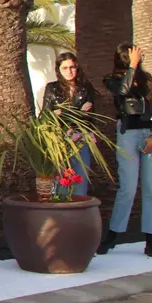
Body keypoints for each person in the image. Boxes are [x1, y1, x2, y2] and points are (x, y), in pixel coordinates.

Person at [97, 44, 152, 258]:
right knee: (127, 187)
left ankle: (150, 238)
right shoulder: (113, 78)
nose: (138, 56)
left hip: (151, 134)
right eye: (132, 54)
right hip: (128, 133)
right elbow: (123, 91)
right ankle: (114, 235)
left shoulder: (148, 79)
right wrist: (133, 67)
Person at [40, 52, 99, 196]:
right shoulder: (52, 88)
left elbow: (90, 116)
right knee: (61, 182)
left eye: (72, 67)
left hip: (80, 139)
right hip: (59, 140)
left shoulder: (85, 89)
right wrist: (78, 112)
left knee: (80, 181)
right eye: (64, 68)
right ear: (58, 70)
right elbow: (45, 115)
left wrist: (63, 113)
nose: (69, 71)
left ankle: (77, 216)